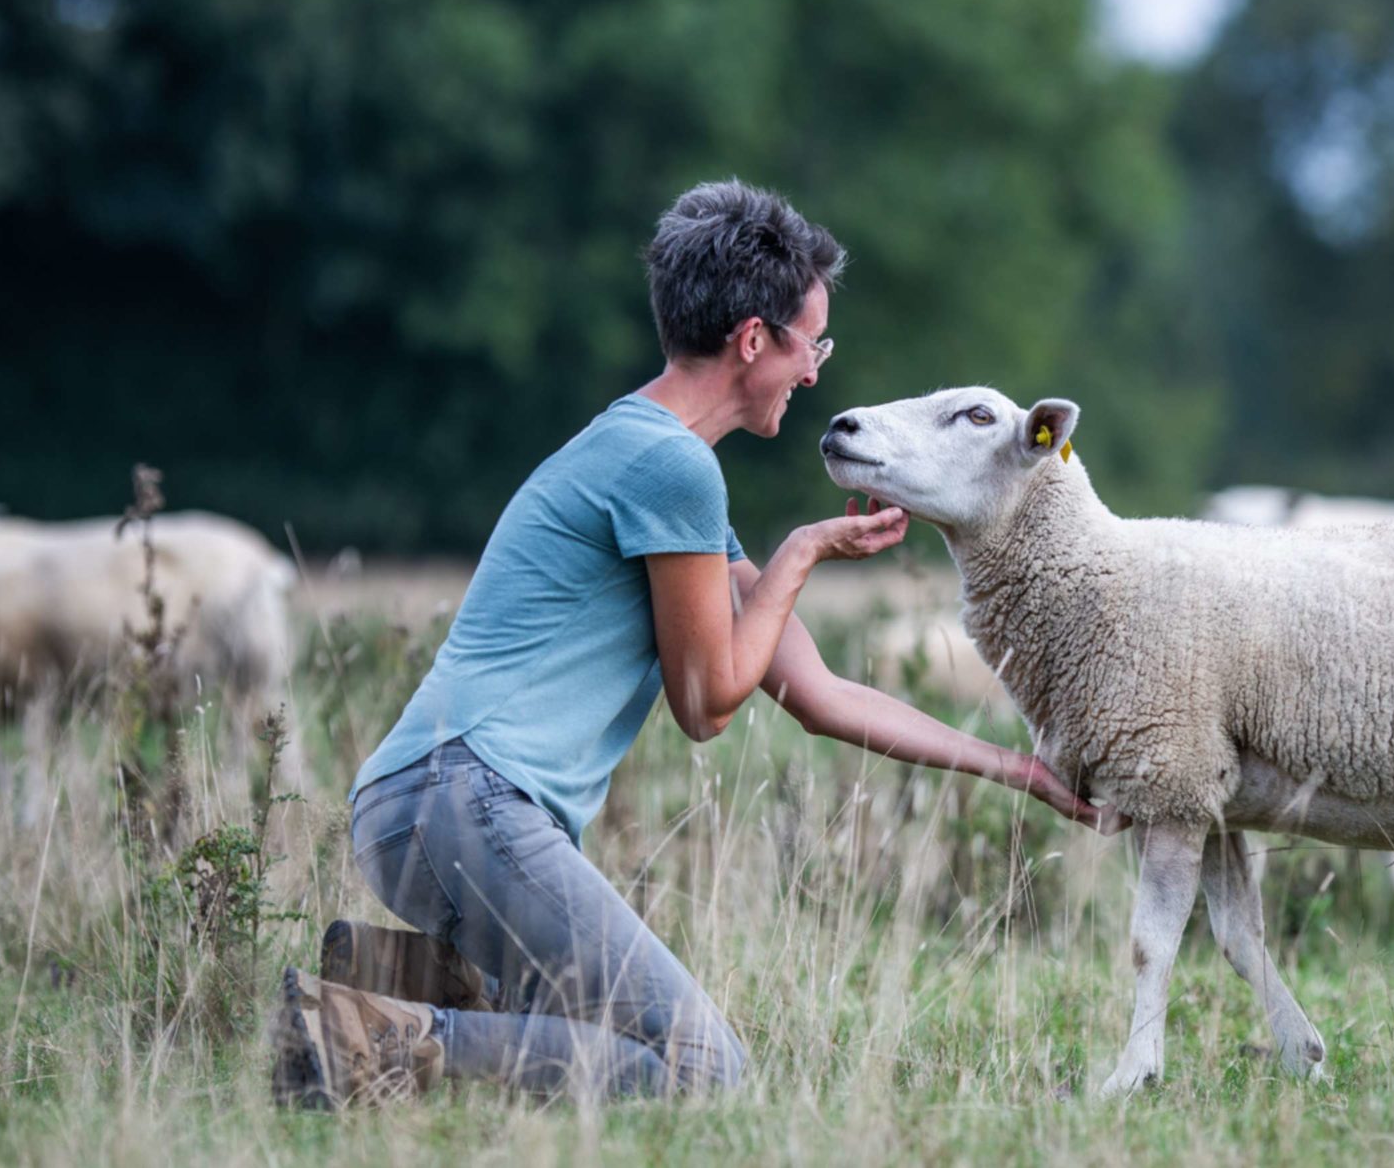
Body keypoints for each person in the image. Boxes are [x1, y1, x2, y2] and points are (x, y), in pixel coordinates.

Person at [272, 180, 1102, 1109]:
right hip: (465, 802)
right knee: (705, 1069)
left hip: (423, 802)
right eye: (810, 344)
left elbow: (820, 696)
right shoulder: (672, 466)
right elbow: (708, 704)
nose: (815, 372)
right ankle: (368, 1030)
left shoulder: (646, 456)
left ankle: (398, 988)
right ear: (755, 340)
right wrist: (802, 551)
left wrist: (1018, 769)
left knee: (624, 1037)